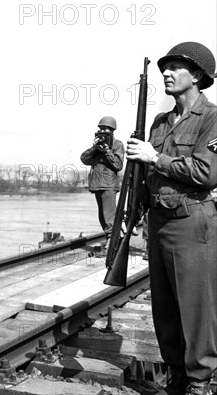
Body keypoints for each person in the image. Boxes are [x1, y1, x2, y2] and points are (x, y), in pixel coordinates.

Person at [126, 41, 217, 395]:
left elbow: (205, 174)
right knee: (164, 309)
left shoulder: (212, 118)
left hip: (192, 221)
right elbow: (146, 176)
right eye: (165, 67)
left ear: (196, 76)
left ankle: (200, 381)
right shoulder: (161, 122)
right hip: (159, 223)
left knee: (196, 307)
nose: (166, 72)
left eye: (176, 67)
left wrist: (154, 158)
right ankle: (177, 373)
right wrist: (133, 211)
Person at [80, 116, 124, 237]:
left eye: (106, 129)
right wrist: (95, 148)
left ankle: (112, 242)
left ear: (112, 130)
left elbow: (118, 165)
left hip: (108, 185)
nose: (103, 131)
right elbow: (84, 159)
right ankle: (110, 238)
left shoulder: (117, 145)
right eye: (101, 129)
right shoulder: (98, 145)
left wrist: (107, 152)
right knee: (102, 217)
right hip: (97, 184)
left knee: (109, 217)